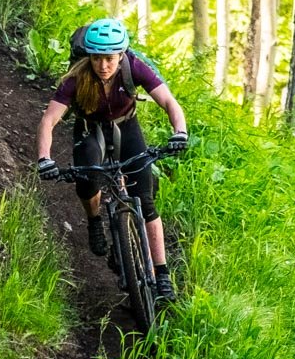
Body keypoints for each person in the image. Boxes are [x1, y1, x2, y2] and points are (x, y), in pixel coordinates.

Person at [35, 18, 188, 303]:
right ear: (88, 57)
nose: (103, 65)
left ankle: (162, 275)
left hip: (126, 127)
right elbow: (49, 120)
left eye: (109, 59)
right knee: (87, 181)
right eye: (96, 59)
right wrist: (44, 158)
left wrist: (180, 132)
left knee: (146, 199)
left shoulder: (133, 67)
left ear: (120, 55)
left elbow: (168, 101)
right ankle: (94, 220)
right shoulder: (77, 78)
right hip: (90, 128)